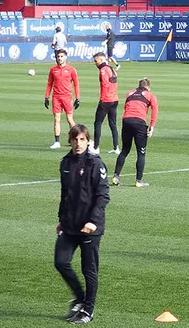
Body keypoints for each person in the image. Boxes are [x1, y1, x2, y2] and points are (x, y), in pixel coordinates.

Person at [55, 124, 110, 325]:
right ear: (69, 141)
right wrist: (61, 219)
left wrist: (93, 221)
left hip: (90, 228)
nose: (78, 143)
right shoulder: (65, 163)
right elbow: (65, 194)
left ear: (88, 141)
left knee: (89, 270)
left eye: (82, 140)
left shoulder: (95, 164)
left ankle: (88, 309)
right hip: (69, 226)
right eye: (74, 139)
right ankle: (80, 298)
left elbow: (103, 196)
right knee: (60, 262)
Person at [112, 78, 158, 187]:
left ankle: (116, 176)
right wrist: (152, 126)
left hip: (126, 120)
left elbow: (126, 107)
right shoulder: (150, 95)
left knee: (125, 150)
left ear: (138, 85)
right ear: (148, 87)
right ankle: (139, 180)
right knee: (141, 152)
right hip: (139, 122)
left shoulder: (130, 93)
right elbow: (155, 110)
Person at [45, 49, 80, 149]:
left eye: (61, 56)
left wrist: (78, 98)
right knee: (57, 119)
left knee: (70, 119)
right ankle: (57, 142)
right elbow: (49, 84)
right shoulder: (53, 70)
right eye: (58, 56)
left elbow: (76, 84)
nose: (59, 58)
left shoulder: (71, 69)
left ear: (65, 57)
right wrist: (46, 97)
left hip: (67, 97)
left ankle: (76, 138)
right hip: (56, 97)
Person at [91, 52, 119, 155]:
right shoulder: (111, 69)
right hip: (114, 100)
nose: (95, 63)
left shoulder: (103, 70)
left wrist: (102, 100)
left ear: (101, 60)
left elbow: (105, 84)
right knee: (113, 124)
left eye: (96, 61)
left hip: (106, 100)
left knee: (97, 123)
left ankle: (96, 147)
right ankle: (116, 147)